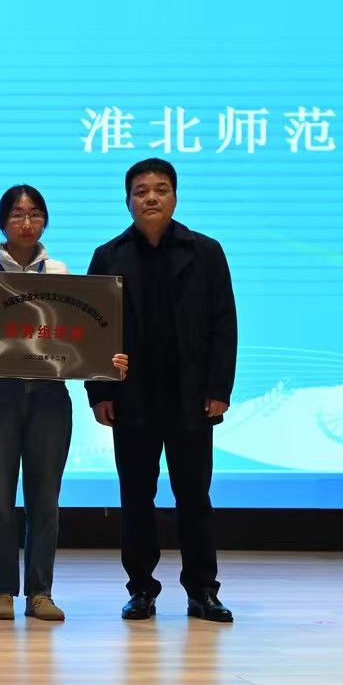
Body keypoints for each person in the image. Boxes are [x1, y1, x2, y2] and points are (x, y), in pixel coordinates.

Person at [0, 185, 128, 623]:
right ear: (2, 222)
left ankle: (40, 592)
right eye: (17, 214)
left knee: (45, 501)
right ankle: (1, 592)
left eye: (34, 214)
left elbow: (79, 336)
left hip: (49, 395)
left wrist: (107, 359)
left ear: (45, 220)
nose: (26, 223)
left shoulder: (62, 272)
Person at [86, 158, 238, 623]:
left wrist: (219, 387)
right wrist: (99, 392)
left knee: (194, 497)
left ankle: (202, 591)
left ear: (175, 196)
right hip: (131, 398)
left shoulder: (206, 252)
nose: (151, 197)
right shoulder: (108, 256)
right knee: (136, 498)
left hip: (191, 396)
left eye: (160, 189)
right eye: (141, 191)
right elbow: (93, 332)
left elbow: (223, 324)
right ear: (127, 200)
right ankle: (141, 590)